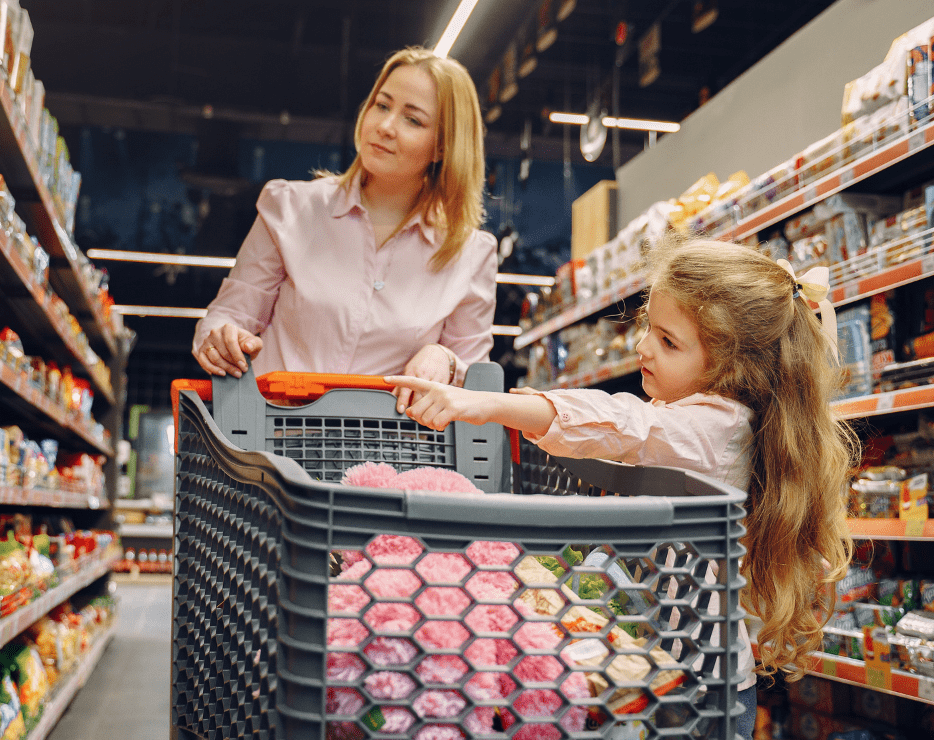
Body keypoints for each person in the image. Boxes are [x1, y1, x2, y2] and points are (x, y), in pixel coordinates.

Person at [386, 238, 859, 739]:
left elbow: (619, 422)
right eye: (647, 328)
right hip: (659, 668)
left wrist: (483, 405)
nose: (642, 348)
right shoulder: (697, 414)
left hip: (694, 693)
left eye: (668, 342)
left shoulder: (717, 430)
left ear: (733, 367)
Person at [193, 47, 497, 412]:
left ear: (443, 147)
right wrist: (220, 338)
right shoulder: (290, 208)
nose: (385, 126)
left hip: (390, 458)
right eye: (381, 106)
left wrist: (445, 360)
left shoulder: (470, 253)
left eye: (412, 120)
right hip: (270, 445)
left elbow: (476, 385)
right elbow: (228, 316)